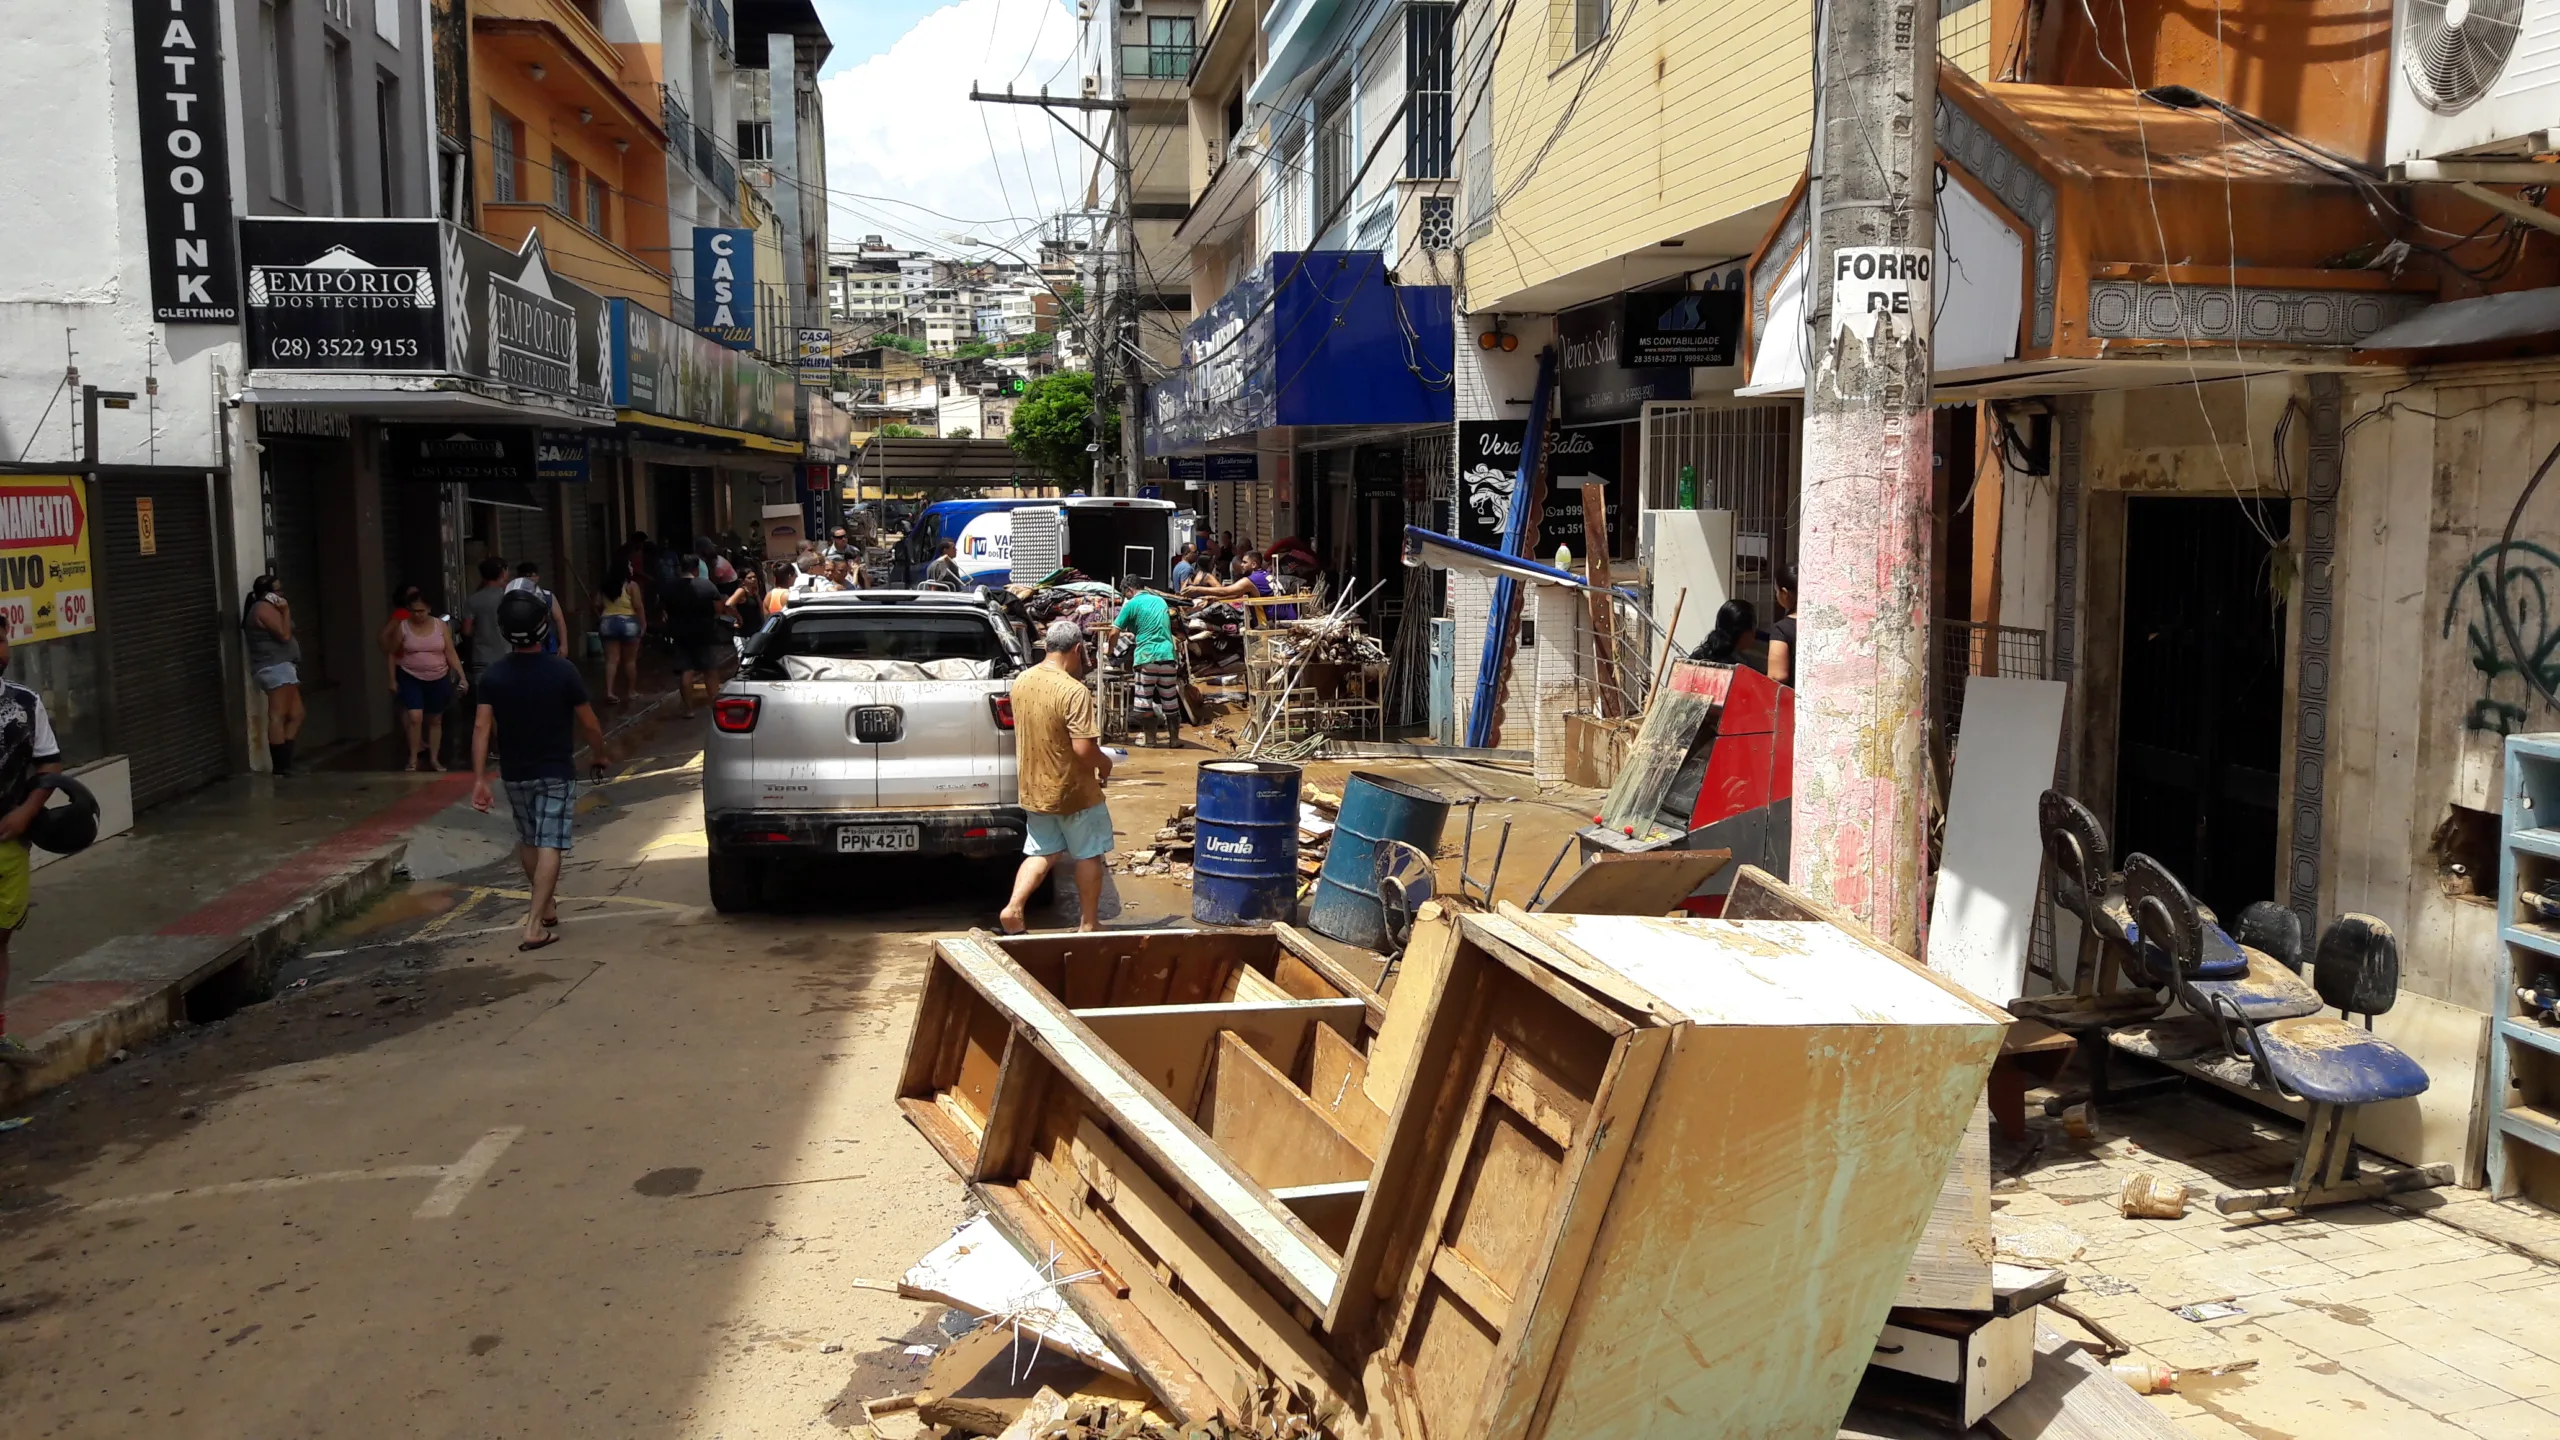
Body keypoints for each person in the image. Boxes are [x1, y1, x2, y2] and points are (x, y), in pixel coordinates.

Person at [471, 589, 611, 952]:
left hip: (515, 772)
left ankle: (546, 905)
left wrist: (478, 779)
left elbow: (481, 729)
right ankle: (534, 924)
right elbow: (590, 724)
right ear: (543, 627)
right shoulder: (563, 671)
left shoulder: (493, 677)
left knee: (529, 838)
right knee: (550, 841)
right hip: (555, 771)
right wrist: (599, 754)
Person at [1000, 620, 1115, 934]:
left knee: (1041, 851)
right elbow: (1083, 749)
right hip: (1073, 791)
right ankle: (1089, 923)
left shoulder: (1022, 681)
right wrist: (1105, 766)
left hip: (1034, 789)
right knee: (1090, 853)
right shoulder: (1074, 691)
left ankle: (1013, 907)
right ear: (1077, 649)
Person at [0, 637, 63, 1067]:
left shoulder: (24, 703)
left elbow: (49, 764)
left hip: (7, 842)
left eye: (1, 636)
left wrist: (26, 812)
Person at [378, 586, 467, 771]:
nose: (417, 615)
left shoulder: (440, 626)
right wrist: (392, 679)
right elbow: (392, 653)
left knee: (435, 719)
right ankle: (413, 757)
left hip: (438, 676)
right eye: (414, 611)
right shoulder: (403, 627)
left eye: (421, 611)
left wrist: (461, 675)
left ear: (429, 609)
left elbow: (450, 652)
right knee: (414, 716)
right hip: (410, 676)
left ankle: (434, 758)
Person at [1107, 579, 1184, 748]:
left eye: (1124, 594)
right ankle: (1174, 740)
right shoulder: (1159, 600)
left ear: (1129, 589)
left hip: (1146, 658)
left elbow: (1114, 632)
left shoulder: (1131, 604)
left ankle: (1150, 740)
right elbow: (1156, 628)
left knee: (1144, 702)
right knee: (1170, 700)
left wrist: (1110, 651)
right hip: (1168, 656)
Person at [242, 575, 305, 776]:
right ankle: (280, 766)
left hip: (284, 666)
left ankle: (285, 760)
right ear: (268, 594)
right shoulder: (262, 609)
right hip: (274, 667)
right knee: (278, 715)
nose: (281, 594)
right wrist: (285, 610)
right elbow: (284, 635)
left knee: (297, 713)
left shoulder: (268, 608)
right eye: (277, 591)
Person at [660, 562, 726, 718]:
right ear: (696, 569)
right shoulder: (706, 585)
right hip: (703, 633)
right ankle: (714, 704)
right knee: (709, 670)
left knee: (686, 670)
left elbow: (663, 610)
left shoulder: (670, 587)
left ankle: (689, 709)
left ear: (680, 568)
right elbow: (718, 608)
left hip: (680, 633)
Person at [596, 557, 647, 703]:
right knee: (630, 661)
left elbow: (597, 602)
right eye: (630, 565)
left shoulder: (604, 585)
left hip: (607, 623)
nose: (632, 568)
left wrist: (603, 615)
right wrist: (643, 625)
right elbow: (638, 606)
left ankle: (609, 692)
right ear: (625, 569)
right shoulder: (631, 586)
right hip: (628, 622)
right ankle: (631, 691)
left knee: (611, 660)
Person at [459, 557, 512, 692]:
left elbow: (466, 630)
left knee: (486, 700)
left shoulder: (473, 600)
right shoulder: (510, 597)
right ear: (503, 573)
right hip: (507, 656)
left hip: (481, 658)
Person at [505, 562, 569, 657]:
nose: (529, 579)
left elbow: (559, 621)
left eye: (531, 575)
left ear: (537, 577)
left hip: (547, 646)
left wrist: (564, 645)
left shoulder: (547, 596)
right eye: (525, 576)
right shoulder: (512, 598)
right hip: (521, 648)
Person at [1690, 598, 1760, 666]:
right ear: (1743, 632)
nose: (1754, 633)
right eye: (1754, 626)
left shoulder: (1696, 658)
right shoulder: (1736, 668)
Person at [1764, 562, 1799, 686]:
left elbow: (1777, 676)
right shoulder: (1820, 624)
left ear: (1784, 593)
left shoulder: (1781, 629)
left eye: (1776, 590)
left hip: (1793, 701)